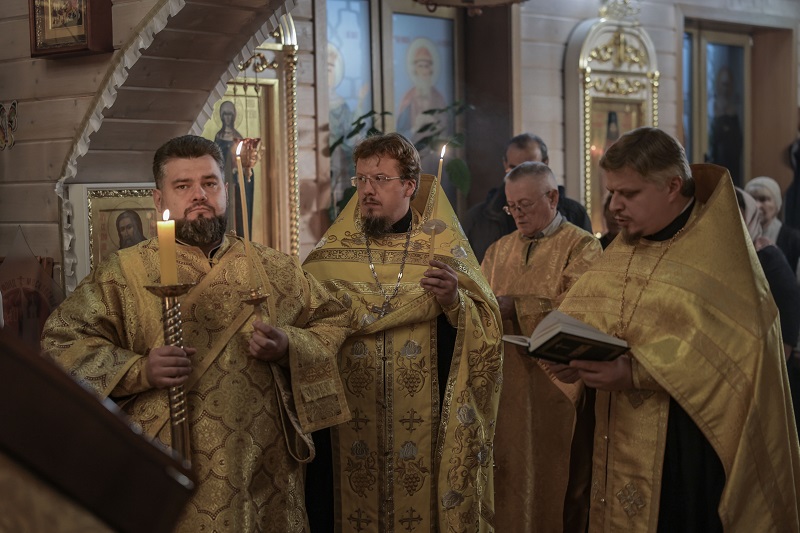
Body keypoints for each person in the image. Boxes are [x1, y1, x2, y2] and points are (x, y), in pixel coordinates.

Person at [41, 135, 352, 532]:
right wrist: (140, 370)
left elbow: (334, 317)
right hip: (168, 464)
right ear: (159, 199)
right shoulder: (123, 273)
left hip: (265, 470)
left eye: (209, 183)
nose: (199, 195)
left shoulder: (275, 268)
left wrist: (289, 344)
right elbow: (60, 342)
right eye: (183, 185)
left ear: (226, 189)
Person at [553, 127, 800, 531]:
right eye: (611, 192)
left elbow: (741, 354)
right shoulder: (627, 244)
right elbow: (591, 312)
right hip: (612, 440)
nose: (614, 206)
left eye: (628, 193)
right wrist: (572, 357)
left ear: (672, 186)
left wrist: (634, 372)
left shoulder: (719, 258)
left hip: (686, 454)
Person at [303, 132, 503, 532]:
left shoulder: (442, 252)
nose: (367, 190)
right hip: (347, 423)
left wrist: (453, 302)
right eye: (361, 179)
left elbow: (486, 328)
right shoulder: (328, 258)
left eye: (380, 179)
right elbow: (306, 322)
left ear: (410, 185)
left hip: (423, 429)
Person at [481, 161, 601, 532]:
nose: (517, 214)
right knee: (507, 478)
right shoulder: (498, 250)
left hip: (557, 384)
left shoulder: (582, 247)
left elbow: (582, 308)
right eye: (511, 207)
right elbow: (481, 305)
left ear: (552, 197)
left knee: (559, 481)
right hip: (507, 388)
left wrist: (516, 306)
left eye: (525, 205)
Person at [462, 133, 592, 262]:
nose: (521, 176)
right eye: (514, 169)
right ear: (505, 165)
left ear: (545, 163)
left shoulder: (575, 216)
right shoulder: (477, 220)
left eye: (530, 168)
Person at [745, 175, 800, 279]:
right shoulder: (738, 236)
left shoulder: (794, 240)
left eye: (763, 199)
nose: (757, 205)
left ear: (777, 204)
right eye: (751, 199)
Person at [396, 39, 447, 141]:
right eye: (420, 66)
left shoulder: (438, 98)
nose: (423, 71)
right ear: (415, 70)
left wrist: (434, 125)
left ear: (431, 70)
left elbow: (446, 131)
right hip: (412, 149)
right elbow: (399, 136)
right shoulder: (408, 100)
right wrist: (415, 127)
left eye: (426, 66)